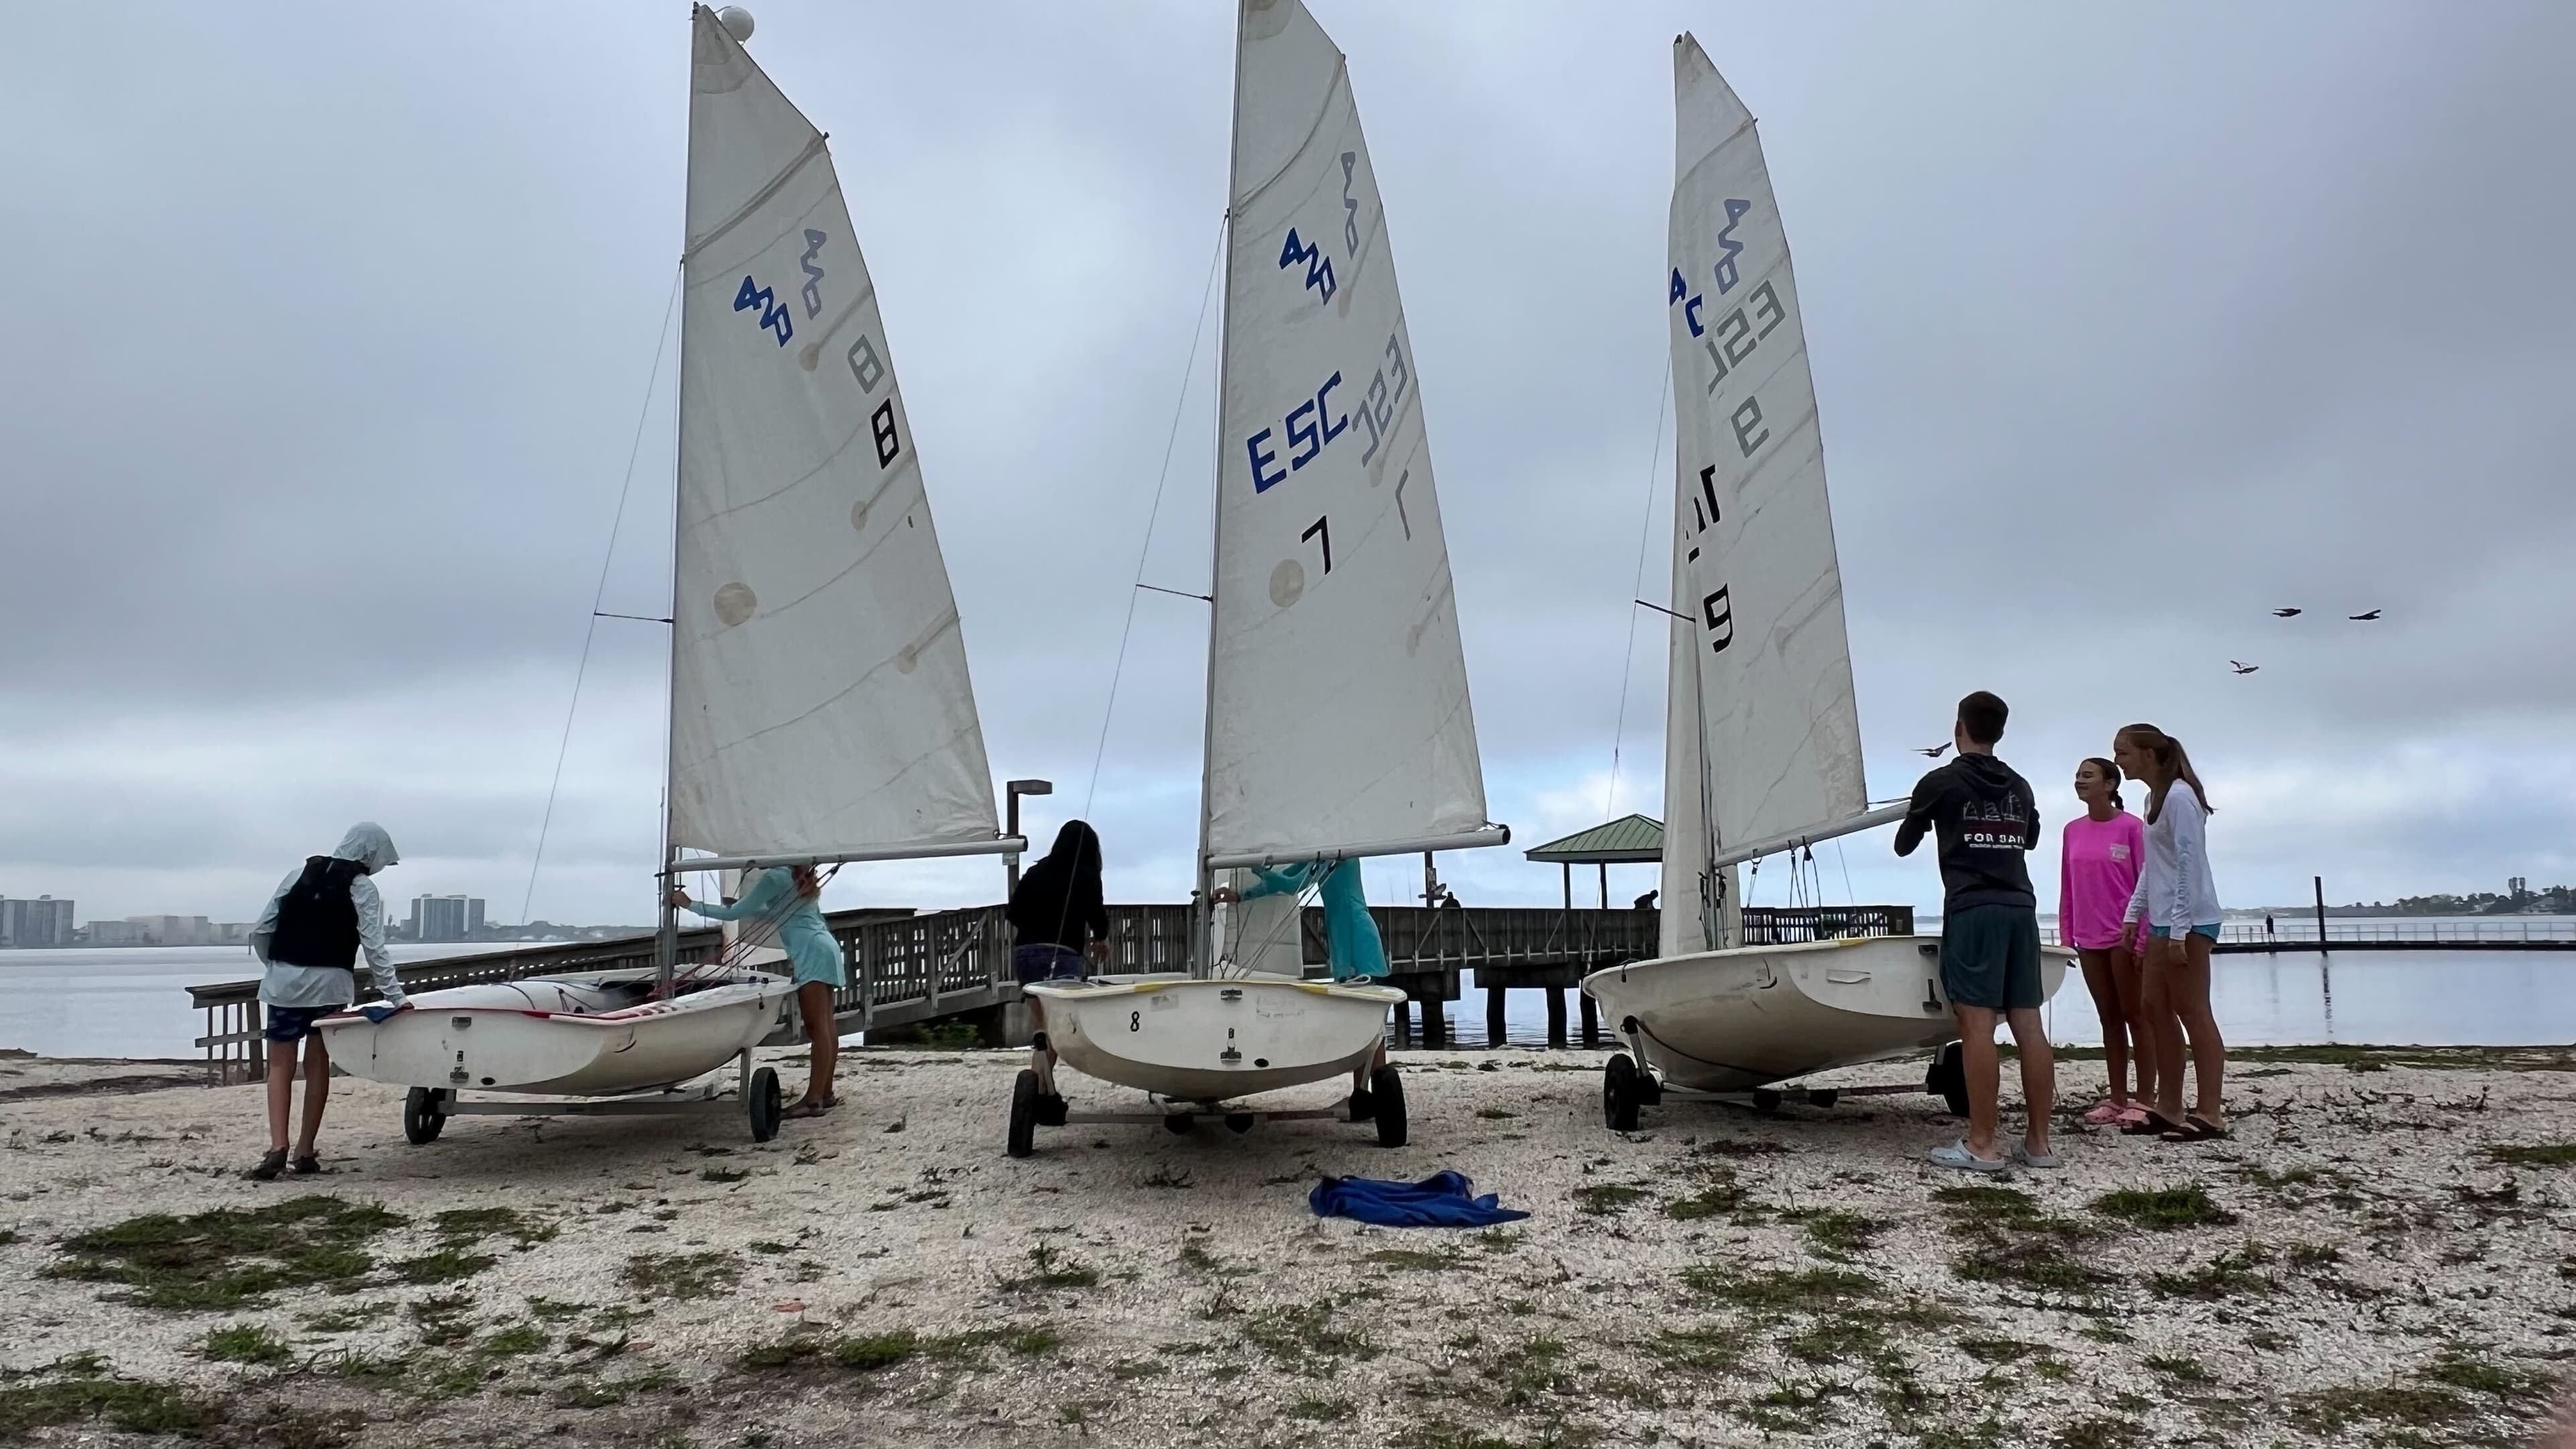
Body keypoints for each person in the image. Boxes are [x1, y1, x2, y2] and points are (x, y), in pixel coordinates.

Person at [1895, 692, 2055, 1173]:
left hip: (1973, 907)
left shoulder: (1940, 781)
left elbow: (1904, 845)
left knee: (1977, 1025)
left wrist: (1923, 814)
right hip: (2021, 907)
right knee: (2029, 1024)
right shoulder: (2020, 785)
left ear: (1959, 727)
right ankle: (2039, 1145)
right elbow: (2030, 838)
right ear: (2000, 732)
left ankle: (1983, 1144)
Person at [244, 822, 409, 1181]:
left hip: (284, 984)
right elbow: (374, 947)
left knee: (279, 1066)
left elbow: (262, 929)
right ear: (371, 854)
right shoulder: (362, 888)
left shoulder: (297, 876)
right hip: (331, 988)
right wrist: (396, 997)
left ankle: (277, 1146)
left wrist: (275, 966)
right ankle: (305, 1150)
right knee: (317, 1064)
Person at [1211, 856, 1393, 1118]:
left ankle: (1372, 1100)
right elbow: (1288, 882)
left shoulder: (1337, 850)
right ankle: (1363, 1097)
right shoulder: (1319, 854)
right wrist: (1240, 895)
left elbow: (1294, 883)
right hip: (1342, 940)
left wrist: (1256, 867)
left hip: (1358, 939)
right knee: (1362, 1025)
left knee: (1372, 1027)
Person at [2114, 722, 2227, 1142]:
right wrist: (2134, 914)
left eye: (2123, 752)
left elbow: (2188, 864)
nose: (2118, 761)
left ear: (2149, 754)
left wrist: (2180, 931)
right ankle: (2169, 1107)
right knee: (2154, 1006)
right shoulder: (2153, 798)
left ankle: (2210, 1113)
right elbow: (2155, 865)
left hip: (2191, 921)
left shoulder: (2181, 797)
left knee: (2192, 1010)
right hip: (2164, 920)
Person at [671, 863, 841, 1119]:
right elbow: (782, 912)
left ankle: (813, 1100)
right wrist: (744, 906)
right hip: (826, 946)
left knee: (817, 1028)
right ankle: (825, 1093)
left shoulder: (775, 876)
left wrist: (689, 904)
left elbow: (733, 915)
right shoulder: (799, 875)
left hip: (811, 952)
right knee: (827, 1025)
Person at [2060, 758, 2154, 1128]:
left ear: (2110, 784)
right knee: (2109, 1018)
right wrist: (2067, 937)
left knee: (2136, 1016)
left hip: (2124, 937)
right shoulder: (2072, 830)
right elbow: (2068, 886)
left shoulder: (2132, 828)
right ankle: (2117, 1098)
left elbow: (2146, 884)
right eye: (2078, 775)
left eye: (2088, 775)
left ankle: (2145, 1099)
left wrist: (2142, 938)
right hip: (2088, 939)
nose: (2079, 781)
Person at [1007, 822, 1109, 1125]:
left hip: (1026, 953)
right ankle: (1039, 1093)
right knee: (1053, 1030)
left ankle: (1038, 1090)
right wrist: (1100, 938)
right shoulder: (1087, 874)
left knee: (1042, 1027)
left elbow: (1014, 914)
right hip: (1063, 954)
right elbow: (1097, 913)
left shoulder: (1036, 872)